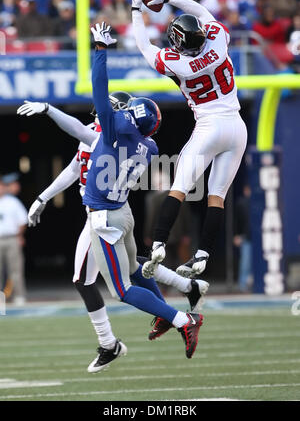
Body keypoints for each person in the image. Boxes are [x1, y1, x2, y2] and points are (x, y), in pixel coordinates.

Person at [17, 31, 209, 361]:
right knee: (135, 270)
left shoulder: (108, 136)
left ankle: (181, 319)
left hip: (104, 219)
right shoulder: (149, 146)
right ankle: (177, 300)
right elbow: (112, 126)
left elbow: (95, 101)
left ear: (124, 119)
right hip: (123, 212)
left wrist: (100, 51)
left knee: (121, 289)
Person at [131, 0, 247, 280]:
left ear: (179, 42)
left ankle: (158, 244)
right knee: (216, 196)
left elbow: (144, 45)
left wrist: (135, 9)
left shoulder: (179, 64)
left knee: (179, 188)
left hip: (208, 127)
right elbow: (201, 10)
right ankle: (203, 254)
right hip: (237, 126)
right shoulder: (219, 41)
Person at [0, 173, 27, 306]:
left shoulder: (12, 202)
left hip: (11, 238)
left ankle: (19, 296)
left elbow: (23, 220)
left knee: (15, 269)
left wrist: (19, 235)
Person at [233, 185, 252, 292]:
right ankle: (243, 285)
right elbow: (237, 221)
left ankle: (253, 284)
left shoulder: (259, 203)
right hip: (246, 237)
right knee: (245, 262)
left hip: (258, 238)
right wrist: (236, 235)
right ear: (246, 190)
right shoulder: (242, 203)